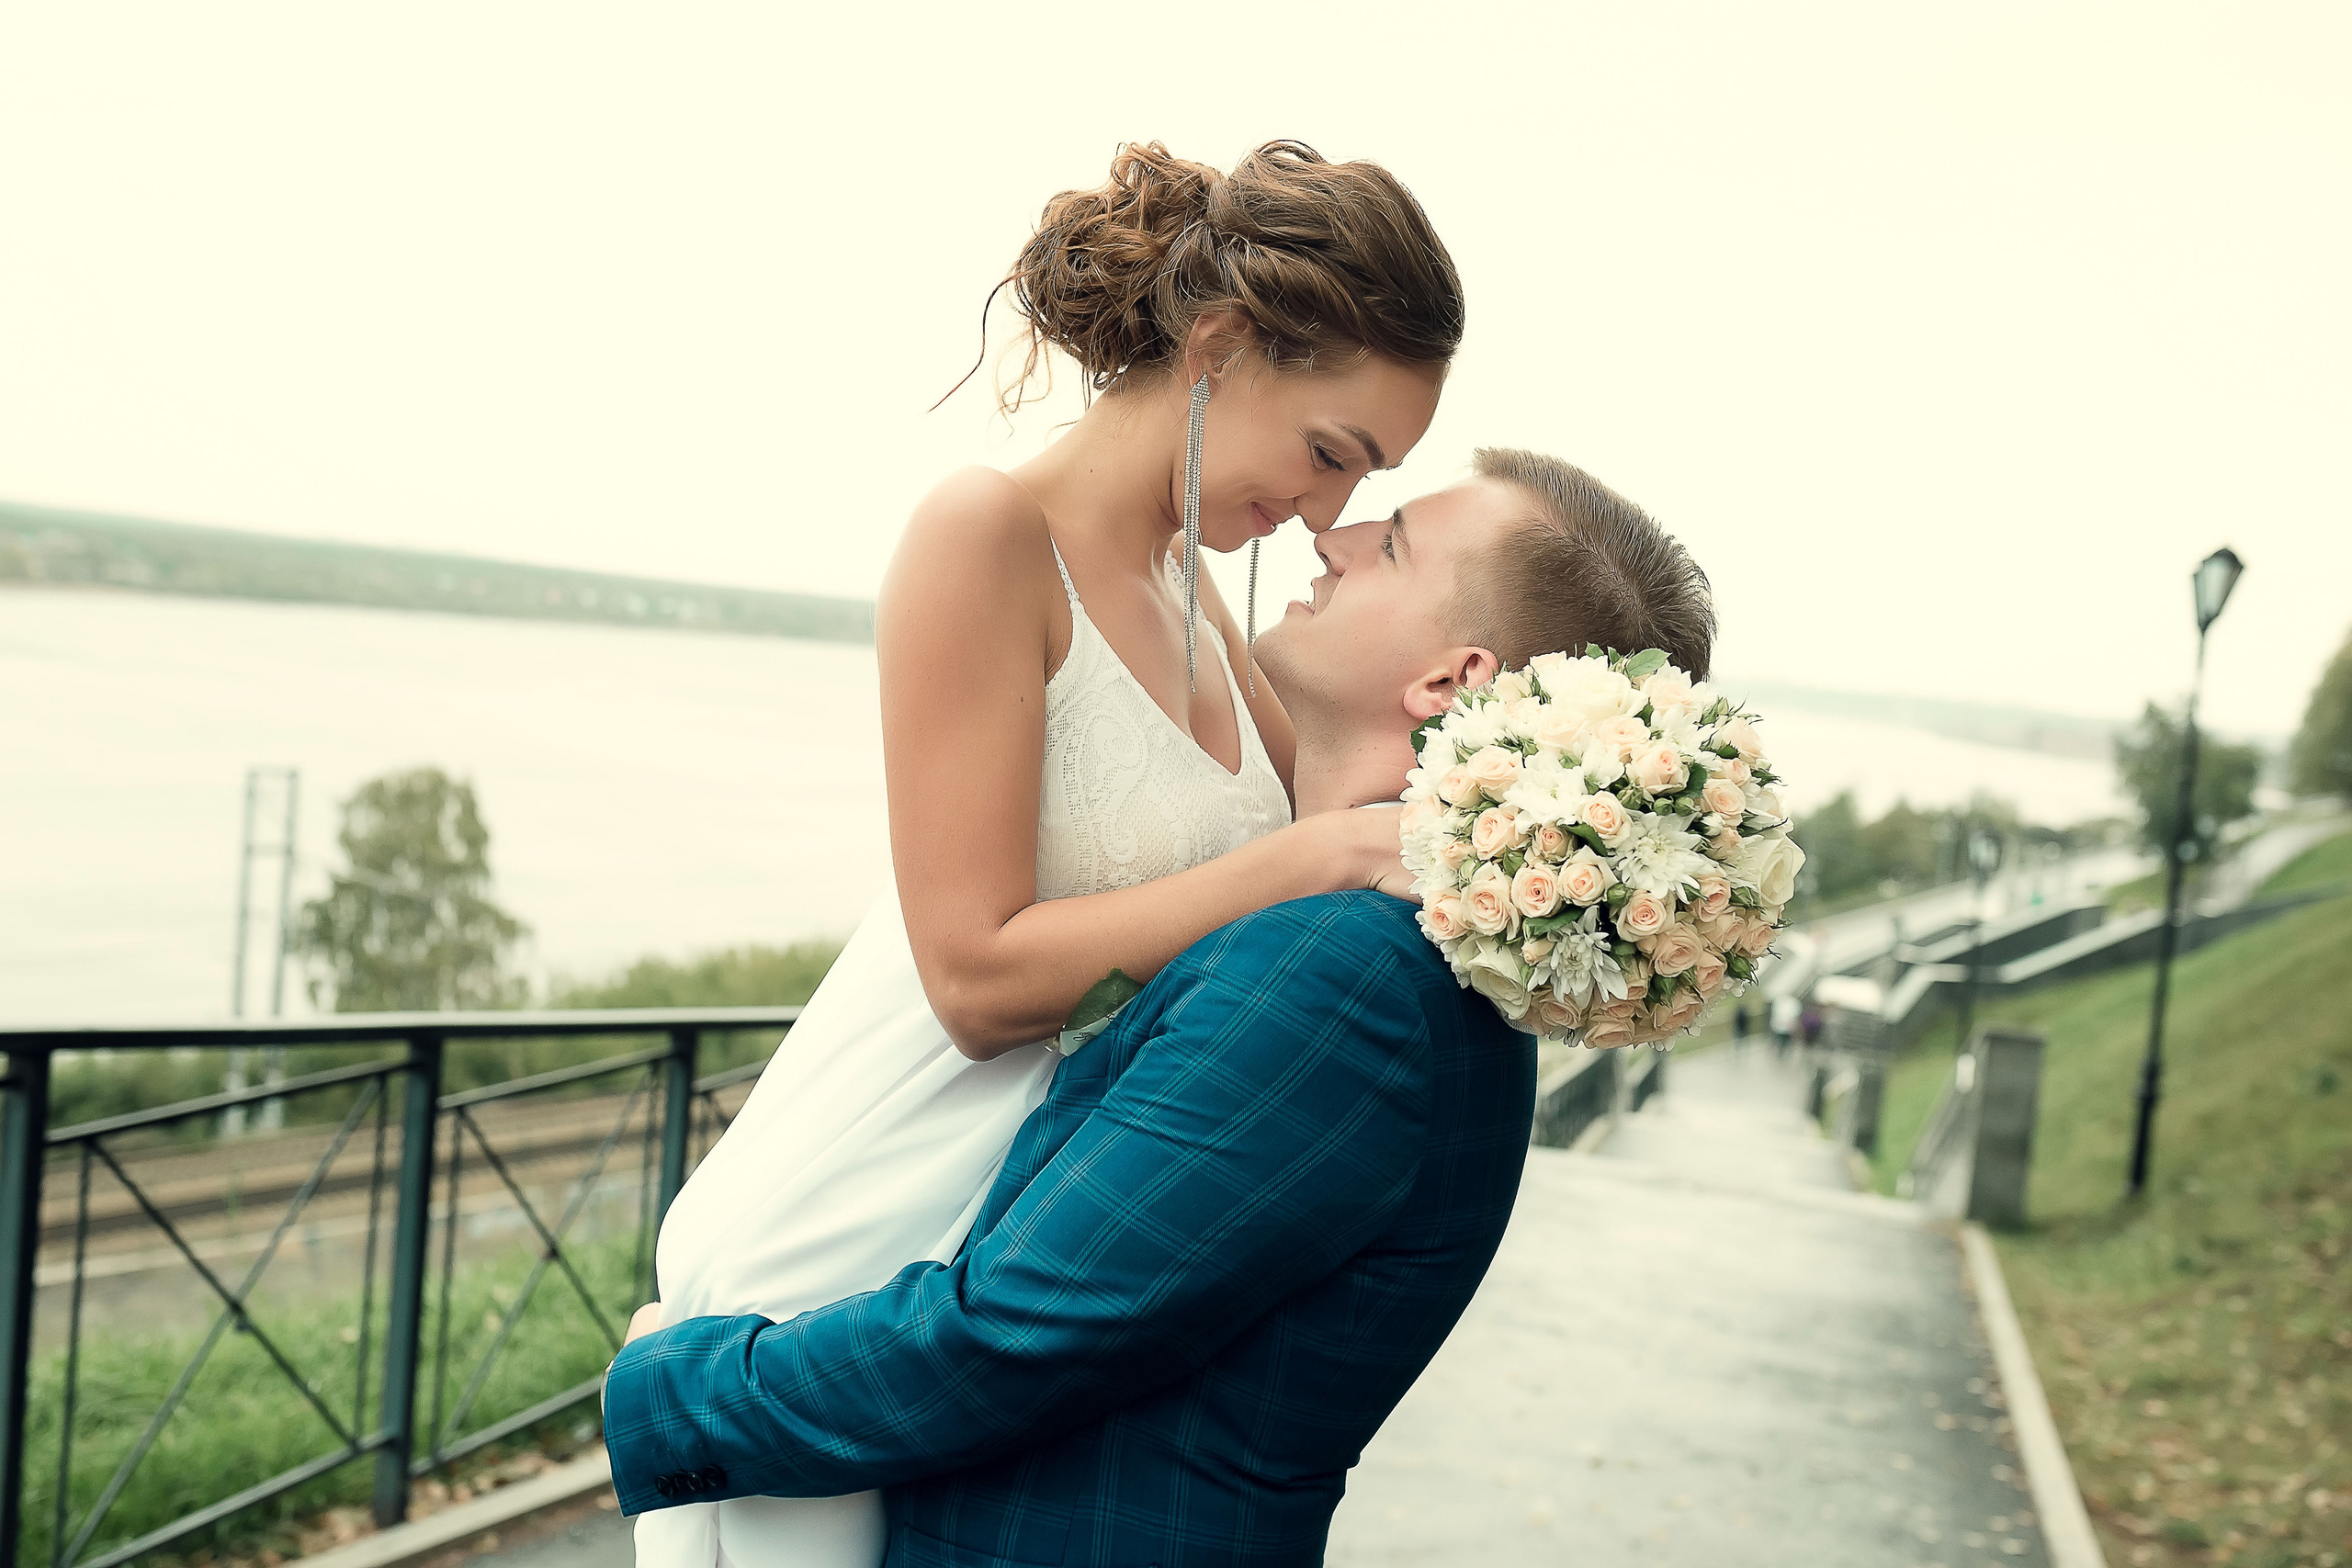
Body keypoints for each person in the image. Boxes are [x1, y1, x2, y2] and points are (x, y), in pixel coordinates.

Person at [606, 451, 1719, 1568]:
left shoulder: (1345, 974)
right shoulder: (1378, 943)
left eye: (1383, 544)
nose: (1325, 536)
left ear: (1450, 680)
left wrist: (669, 1394)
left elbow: (1011, 1335)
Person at [632, 141, 1465, 1568]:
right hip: (875, 1187)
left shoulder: (1194, 583)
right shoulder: (987, 535)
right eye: (1330, 453)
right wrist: (1302, 866)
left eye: (1369, 477)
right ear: (1217, 346)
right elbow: (971, 974)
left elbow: (1351, 803)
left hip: (1017, 1212)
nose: (1328, 512)